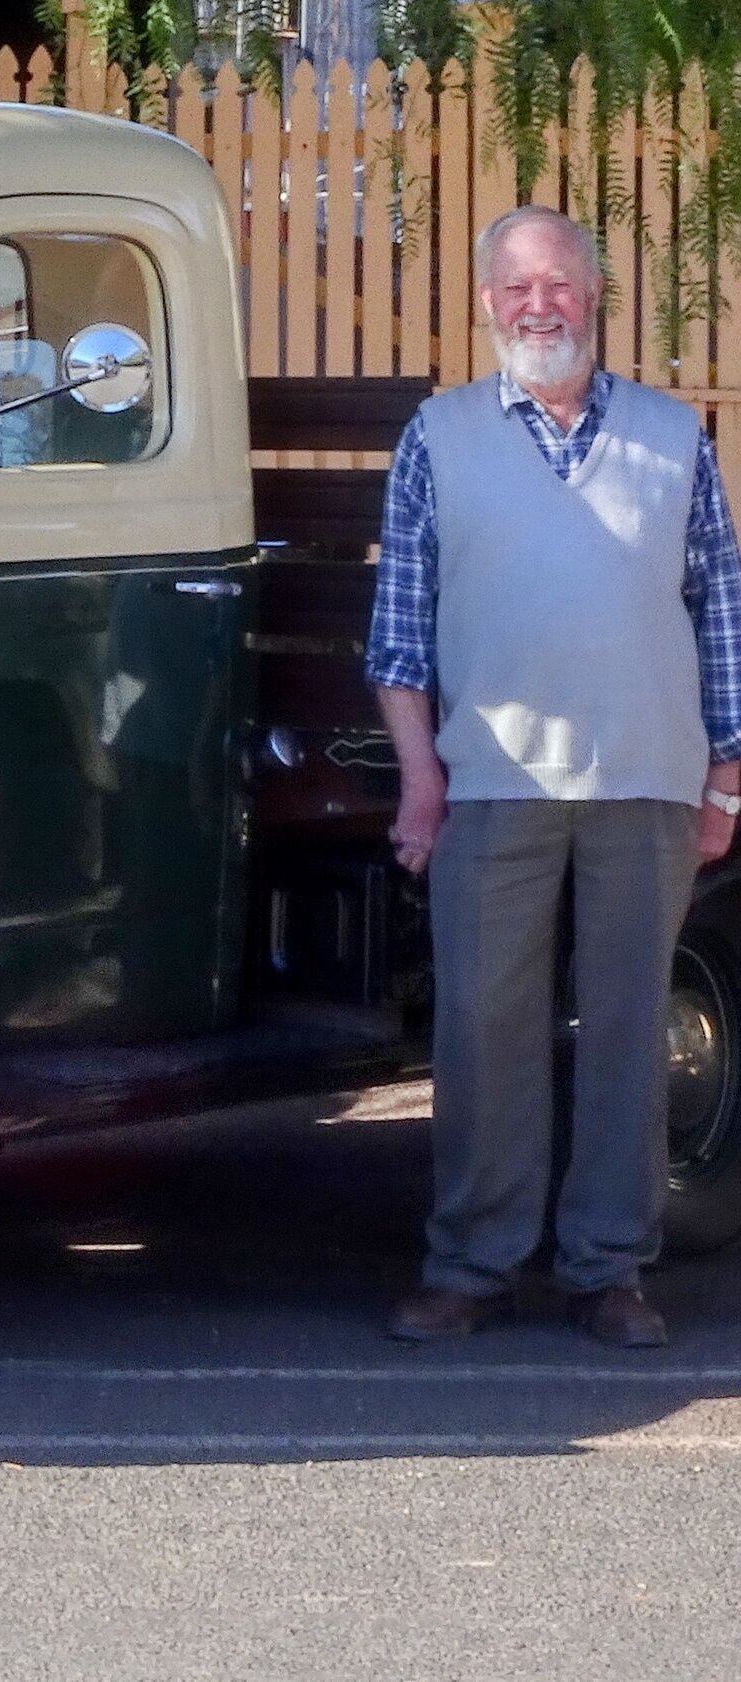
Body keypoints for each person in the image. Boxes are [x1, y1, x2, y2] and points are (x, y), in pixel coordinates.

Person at [371, 205, 741, 1348]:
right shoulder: (439, 436)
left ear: (594, 299)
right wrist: (419, 779)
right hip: (491, 781)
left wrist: (725, 777)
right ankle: (473, 1264)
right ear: (489, 305)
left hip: (648, 778)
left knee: (631, 1023)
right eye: (519, 287)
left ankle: (609, 1269)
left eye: (562, 285)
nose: (542, 305)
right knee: (485, 1025)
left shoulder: (676, 437)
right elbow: (398, 633)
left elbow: (720, 612)